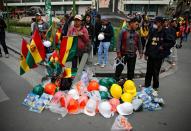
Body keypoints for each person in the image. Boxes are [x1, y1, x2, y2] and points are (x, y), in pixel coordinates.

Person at [144, 16, 175, 91]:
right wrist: (146, 53)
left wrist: (163, 46)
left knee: (155, 72)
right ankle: (147, 85)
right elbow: (149, 42)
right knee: (148, 71)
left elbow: (172, 42)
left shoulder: (166, 32)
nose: (155, 23)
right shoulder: (153, 31)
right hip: (151, 54)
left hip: (158, 56)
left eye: (156, 22)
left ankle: (155, 87)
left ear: (160, 23)